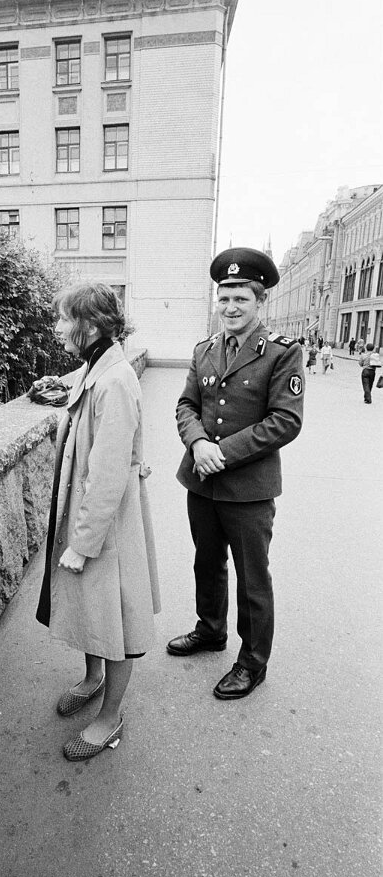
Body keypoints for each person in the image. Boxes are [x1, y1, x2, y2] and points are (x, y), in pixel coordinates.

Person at [167, 247, 304, 699]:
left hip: (249, 490)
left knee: (252, 578)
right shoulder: (204, 350)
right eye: (224, 298)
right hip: (201, 481)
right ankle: (210, 629)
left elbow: (285, 421)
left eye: (240, 299)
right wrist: (197, 444)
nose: (230, 307)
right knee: (206, 562)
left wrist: (219, 452)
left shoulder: (282, 352)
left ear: (260, 301)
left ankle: (252, 662)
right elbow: (186, 405)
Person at [36, 282, 160, 760]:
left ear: (89, 326)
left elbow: (108, 475)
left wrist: (82, 543)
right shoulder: (97, 367)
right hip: (93, 518)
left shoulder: (115, 380)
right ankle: (92, 679)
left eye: (65, 319)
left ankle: (110, 720)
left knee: (118, 621)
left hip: (106, 526)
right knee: (94, 607)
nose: (58, 327)